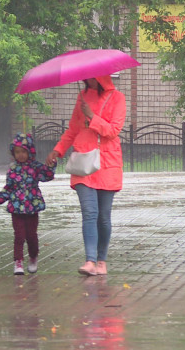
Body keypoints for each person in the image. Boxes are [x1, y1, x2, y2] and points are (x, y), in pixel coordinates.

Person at [45, 76, 126, 276]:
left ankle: (101, 261)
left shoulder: (118, 98)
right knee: (89, 213)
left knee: (103, 218)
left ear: (101, 77)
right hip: (83, 163)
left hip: (107, 164)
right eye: (85, 76)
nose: (87, 79)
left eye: (92, 76)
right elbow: (73, 130)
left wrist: (92, 116)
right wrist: (58, 150)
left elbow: (113, 130)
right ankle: (89, 260)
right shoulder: (81, 97)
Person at [0, 133, 56, 275]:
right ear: (13, 153)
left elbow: (46, 176)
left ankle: (33, 257)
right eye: (17, 152)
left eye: (24, 152)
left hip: (32, 207)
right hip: (16, 208)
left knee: (31, 235)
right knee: (19, 235)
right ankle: (18, 262)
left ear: (30, 151)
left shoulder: (35, 167)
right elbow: (8, 188)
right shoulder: (13, 169)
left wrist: (51, 166)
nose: (21, 155)